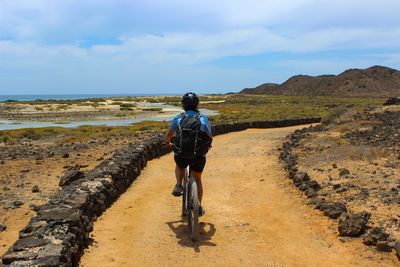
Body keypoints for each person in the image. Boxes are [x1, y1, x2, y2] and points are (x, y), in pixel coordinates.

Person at [164, 92, 212, 217]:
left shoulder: (178, 117)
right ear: (197, 104)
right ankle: (199, 206)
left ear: (183, 105)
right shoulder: (202, 118)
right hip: (198, 155)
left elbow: (170, 133)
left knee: (180, 164)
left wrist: (167, 142)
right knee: (198, 179)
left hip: (182, 154)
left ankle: (179, 184)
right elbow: (209, 136)